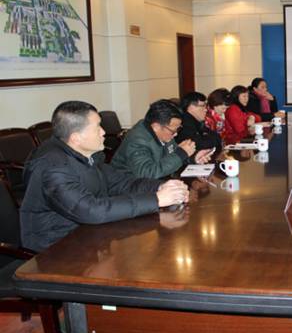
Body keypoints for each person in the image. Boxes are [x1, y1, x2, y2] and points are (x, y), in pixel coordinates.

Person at [19, 101, 189, 252]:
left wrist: (160, 186)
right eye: (97, 127)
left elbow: (121, 182)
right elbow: (91, 210)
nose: (103, 132)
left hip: (87, 234)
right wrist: (156, 199)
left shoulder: (86, 154)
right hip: (55, 248)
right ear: (76, 138)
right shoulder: (53, 168)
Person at [112, 99, 213, 179]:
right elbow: (148, 173)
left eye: (178, 129)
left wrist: (192, 157)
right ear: (156, 127)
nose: (176, 134)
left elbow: (171, 157)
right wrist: (182, 153)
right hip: (128, 188)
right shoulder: (138, 141)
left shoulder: (163, 132)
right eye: (173, 131)